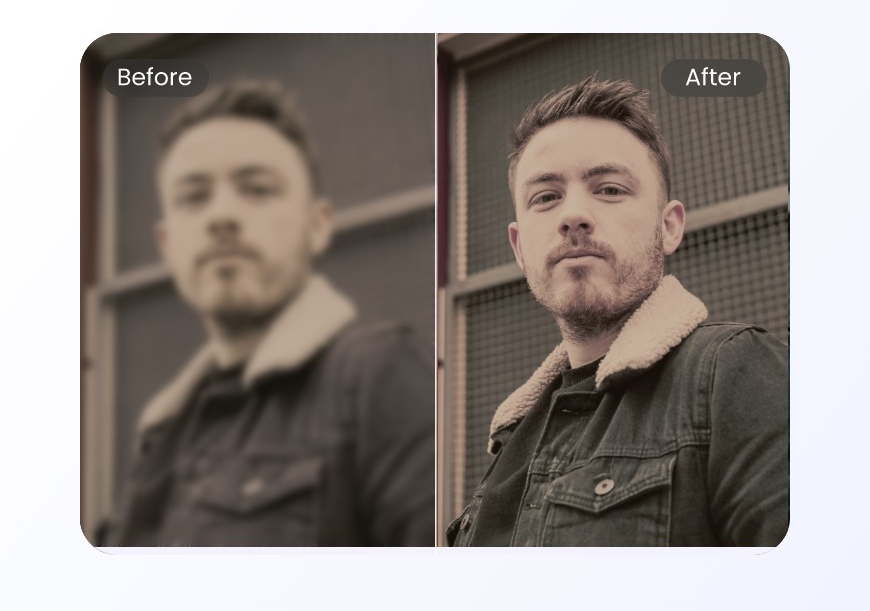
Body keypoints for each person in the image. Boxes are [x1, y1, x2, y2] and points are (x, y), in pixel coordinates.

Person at [447, 77, 788, 547]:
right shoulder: (511, 440)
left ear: (668, 227)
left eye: (608, 189)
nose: (574, 215)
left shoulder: (734, 371)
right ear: (519, 247)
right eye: (545, 197)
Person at [104, 81, 434, 547]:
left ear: (318, 225)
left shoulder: (377, 377)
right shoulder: (161, 433)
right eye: (193, 197)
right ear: (166, 244)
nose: (221, 215)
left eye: (257, 189)